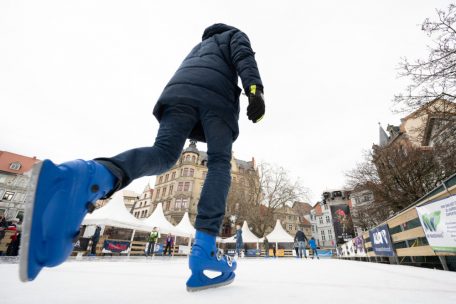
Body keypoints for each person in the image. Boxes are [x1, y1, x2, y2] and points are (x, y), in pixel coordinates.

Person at [20, 23, 264, 291]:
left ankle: (89, 174)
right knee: (219, 163)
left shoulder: (199, 47)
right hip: (216, 101)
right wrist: (255, 91)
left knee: (163, 153)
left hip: (178, 94)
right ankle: (205, 248)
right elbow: (244, 57)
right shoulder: (233, 35)